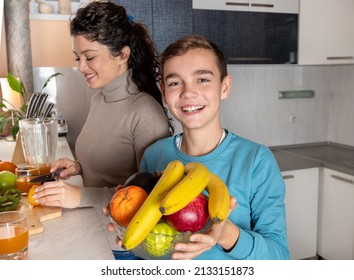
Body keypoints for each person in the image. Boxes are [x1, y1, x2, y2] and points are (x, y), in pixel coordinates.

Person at [111, 35, 290, 260]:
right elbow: (152, 245)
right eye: (175, 83)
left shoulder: (256, 161)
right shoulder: (154, 155)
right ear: (164, 92)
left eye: (202, 79)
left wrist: (228, 235)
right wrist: (125, 221)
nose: (188, 92)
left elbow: (280, 258)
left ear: (225, 87)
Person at [32, 1, 172, 259]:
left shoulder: (145, 114)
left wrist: (78, 196)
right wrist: (79, 166)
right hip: (92, 228)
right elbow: (114, 163)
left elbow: (149, 199)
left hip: (123, 247)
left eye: (90, 57)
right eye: (78, 57)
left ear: (123, 54)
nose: (80, 66)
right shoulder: (100, 99)